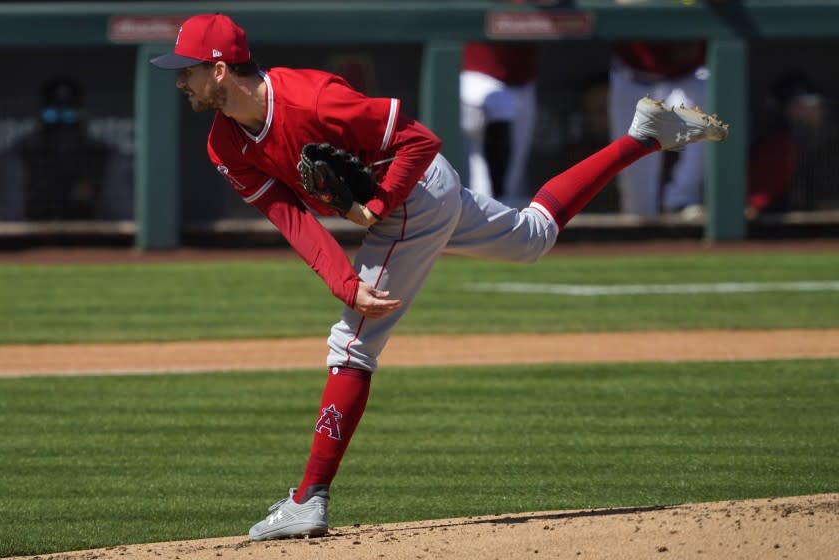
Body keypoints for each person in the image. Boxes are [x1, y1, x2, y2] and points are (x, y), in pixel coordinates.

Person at [150, 13, 727, 541]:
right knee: (533, 237)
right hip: (419, 197)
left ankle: (309, 498)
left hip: (414, 196)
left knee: (351, 346)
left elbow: (420, 141)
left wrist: (375, 210)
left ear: (220, 69)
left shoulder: (313, 99)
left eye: (188, 70)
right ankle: (644, 136)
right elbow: (290, 218)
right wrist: (342, 281)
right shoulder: (224, 142)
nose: (180, 81)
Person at [608, 40, 708, 217]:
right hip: (634, 77)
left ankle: (682, 201)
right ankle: (641, 222)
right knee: (638, 205)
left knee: (711, 126)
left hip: (690, 75)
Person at [9, 77, 112, 220]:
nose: (61, 122)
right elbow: (9, 216)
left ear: (82, 116)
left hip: (90, 238)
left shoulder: (102, 156)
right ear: (40, 116)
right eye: (51, 115)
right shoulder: (20, 154)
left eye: (69, 115)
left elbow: (121, 217)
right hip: (31, 237)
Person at [460, 41, 538, 208]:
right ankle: (483, 213)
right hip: (476, 74)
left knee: (512, 177)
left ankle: (495, 212)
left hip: (522, 79)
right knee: (478, 167)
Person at [747, 71, 827, 219]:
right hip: (771, 228)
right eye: (804, 105)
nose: (816, 111)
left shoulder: (815, 139)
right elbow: (754, 205)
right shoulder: (779, 145)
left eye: (817, 105)